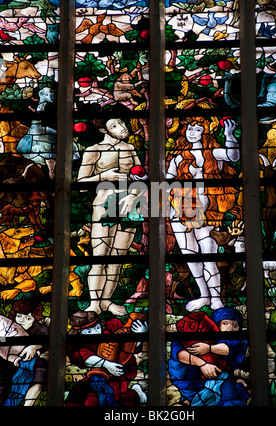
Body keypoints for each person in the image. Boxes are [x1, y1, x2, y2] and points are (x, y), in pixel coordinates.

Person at [166, 116, 242, 311]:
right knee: (190, 255)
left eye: (198, 129)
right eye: (189, 128)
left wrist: (229, 135)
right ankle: (204, 295)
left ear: (205, 132)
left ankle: (216, 298)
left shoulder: (212, 153)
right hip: (180, 212)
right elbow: (167, 182)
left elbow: (233, 157)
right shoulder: (178, 157)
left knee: (209, 256)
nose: (192, 132)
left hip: (207, 213)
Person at [77, 118, 145, 316]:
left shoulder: (130, 148)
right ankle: (94, 303)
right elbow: (81, 184)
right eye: (115, 125)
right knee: (100, 258)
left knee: (117, 259)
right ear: (102, 129)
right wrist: (103, 177)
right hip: (103, 205)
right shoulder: (93, 150)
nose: (122, 127)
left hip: (129, 207)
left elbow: (142, 178)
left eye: (121, 123)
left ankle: (106, 301)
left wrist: (133, 195)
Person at [168, 308, 249, 406]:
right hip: (192, 379)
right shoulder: (196, 332)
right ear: (216, 324)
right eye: (225, 323)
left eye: (235, 325)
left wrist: (209, 348)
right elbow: (179, 354)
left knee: (229, 399)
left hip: (221, 379)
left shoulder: (237, 341)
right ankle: (188, 402)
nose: (229, 328)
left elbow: (227, 349)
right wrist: (203, 364)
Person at [65, 311, 148, 406]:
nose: (96, 332)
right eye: (88, 331)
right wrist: (106, 364)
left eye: (97, 327)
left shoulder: (111, 329)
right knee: (78, 395)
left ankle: (135, 393)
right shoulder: (79, 343)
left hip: (122, 369)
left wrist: (140, 335)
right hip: (96, 374)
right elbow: (85, 357)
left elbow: (128, 347)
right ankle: (135, 393)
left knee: (112, 395)